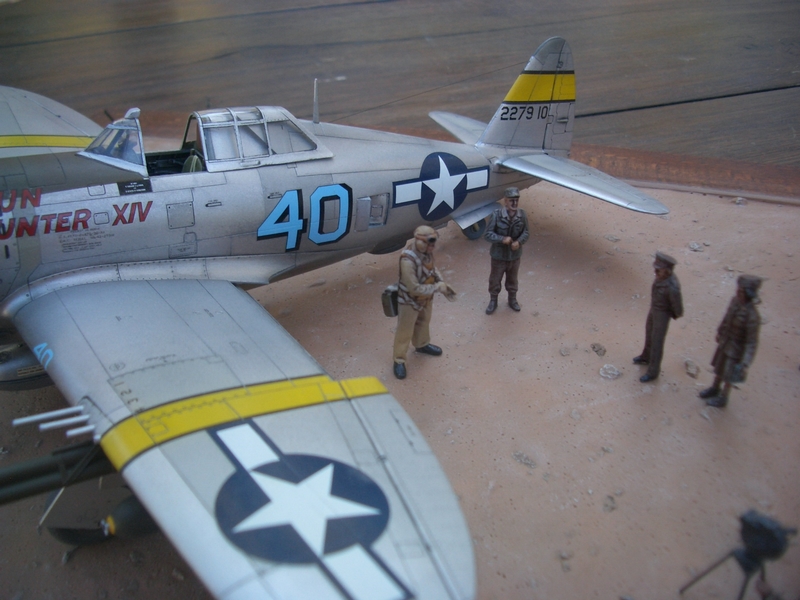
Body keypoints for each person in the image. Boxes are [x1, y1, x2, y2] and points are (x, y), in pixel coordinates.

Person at [392, 225, 455, 379]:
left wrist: (442, 282)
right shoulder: (407, 259)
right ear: (418, 240)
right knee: (405, 330)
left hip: (426, 297)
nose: (431, 247)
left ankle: (421, 344)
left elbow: (433, 269)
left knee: (424, 321)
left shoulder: (426, 252)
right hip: (409, 300)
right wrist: (437, 288)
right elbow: (413, 288)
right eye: (428, 243)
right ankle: (399, 359)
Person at [699, 274, 762, 407]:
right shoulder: (734, 301)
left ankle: (723, 397)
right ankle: (715, 387)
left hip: (736, 350)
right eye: (738, 290)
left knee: (729, 374)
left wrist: (745, 363)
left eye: (741, 291)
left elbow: (751, 343)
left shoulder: (752, 316)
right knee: (719, 367)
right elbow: (726, 318)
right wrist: (720, 331)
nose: (738, 293)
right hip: (726, 341)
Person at [633, 251, 683, 382]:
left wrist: (668, 314)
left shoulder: (672, 287)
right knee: (649, 332)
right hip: (654, 309)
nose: (655, 272)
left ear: (666, 271)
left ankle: (653, 371)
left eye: (658, 270)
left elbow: (678, 308)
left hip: (662, 314)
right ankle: (646, 356)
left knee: (657, 341)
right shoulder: (661, 278)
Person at [483, 187, 529, 314]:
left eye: (516, 200)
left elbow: (526, 233)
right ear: (505, 201)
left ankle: (512, 300)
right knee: (495, 280)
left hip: (514, 256)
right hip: (498, 256)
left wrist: (519, 242)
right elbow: (487, 234)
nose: (514, 204)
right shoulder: (496, 215)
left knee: (513, 280)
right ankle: (493, 300)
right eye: (511, 201)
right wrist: (502, 239)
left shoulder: (522, 215)